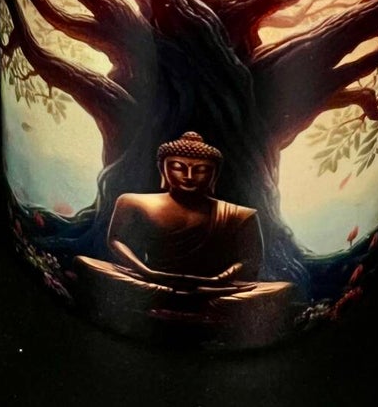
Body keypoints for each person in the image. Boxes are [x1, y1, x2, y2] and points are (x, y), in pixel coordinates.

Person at [74, 132, 297, 347]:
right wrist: (147, 272)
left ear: (214, 174)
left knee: (282, 289)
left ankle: (179, 301)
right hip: (153, 281)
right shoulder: (134, 202)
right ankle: (186, 302)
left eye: (201, 170)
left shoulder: (239, 214)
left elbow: (249, 261)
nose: (189, 176)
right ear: (163, 169)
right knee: (86, 264)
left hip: (212, 290)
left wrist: (218, 280)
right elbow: (116, 240)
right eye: (178, 167)